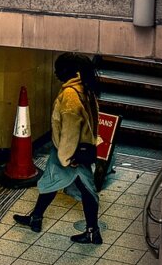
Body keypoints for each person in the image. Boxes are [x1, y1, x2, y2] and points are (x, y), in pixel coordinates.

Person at [13, 52, 102, 244]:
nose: (55, 73)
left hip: (69, 153)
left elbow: (70, 130)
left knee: (86, 191)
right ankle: (35, 217)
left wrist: (66, 159)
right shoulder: (85, 88)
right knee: (51, 182)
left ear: (69, 71)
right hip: (73, 150)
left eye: (59, 69)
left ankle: (93, 231)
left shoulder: (70, 95)